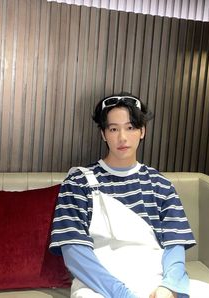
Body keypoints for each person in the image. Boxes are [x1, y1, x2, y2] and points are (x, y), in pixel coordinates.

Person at [49, 93, 196, 298]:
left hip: (156, 283)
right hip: (98, 287)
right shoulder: (77, 182)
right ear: (103, 134)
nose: (122, 137)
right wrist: (123, 294)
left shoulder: (161, 184)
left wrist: (168, 287)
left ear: (142, 131)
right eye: (113, 129)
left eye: (130, 127)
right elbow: (74, 251)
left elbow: (174, 244)